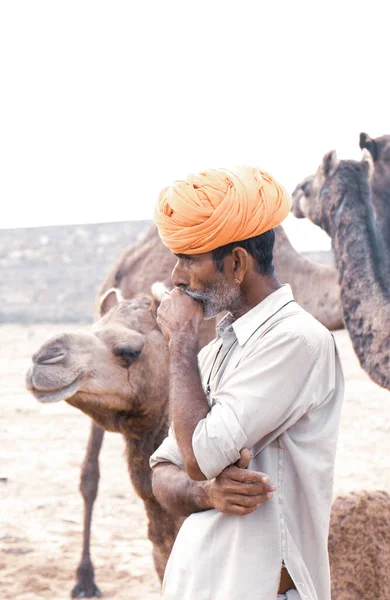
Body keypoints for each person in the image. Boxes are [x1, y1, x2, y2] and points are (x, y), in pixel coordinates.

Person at [150, 167, 344, 600]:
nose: (176, 278)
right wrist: (206, 494)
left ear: (237, 262)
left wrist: (180, 340)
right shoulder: (217, 351)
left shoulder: (297, 341)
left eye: (188, 259)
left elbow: (198, 457)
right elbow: (162, 473)